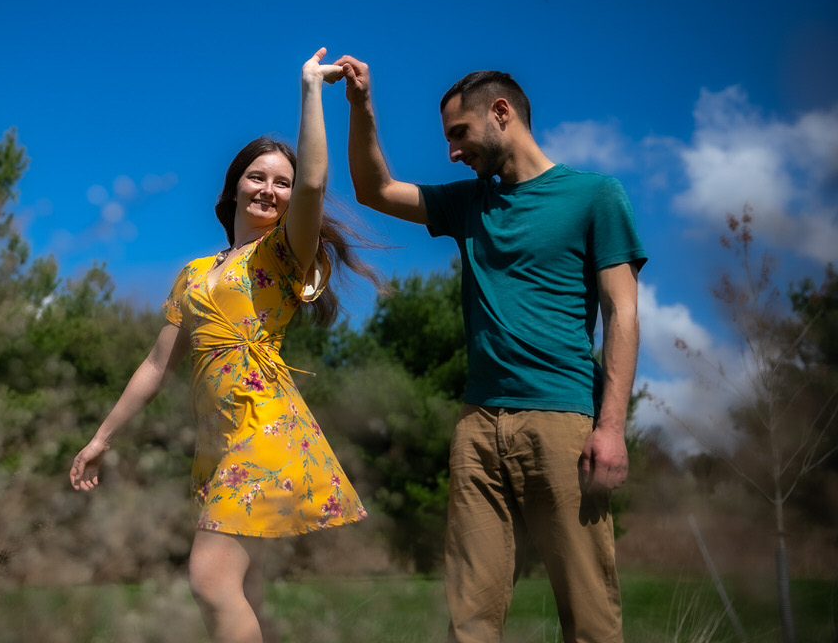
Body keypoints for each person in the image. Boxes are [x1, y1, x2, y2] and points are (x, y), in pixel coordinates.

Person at [70, 48, 376, 643]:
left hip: (266, 433)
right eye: (257, 176)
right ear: (234, 186)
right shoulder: (193, 272)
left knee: (210, 580)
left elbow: (315, 178)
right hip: (218, 446)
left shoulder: (285, 255)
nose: (269, 189)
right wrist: (101, 438)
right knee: (245, 591)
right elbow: (157, 363)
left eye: (281, 183)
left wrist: (311, 88)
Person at [336, 56, 645, 643]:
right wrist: (361, 106)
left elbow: (622, 314)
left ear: (501, 114)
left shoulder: (594, 196)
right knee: (470, 621)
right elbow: (373, 189)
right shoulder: (470, 204)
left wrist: (612, 426)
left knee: (590, 619)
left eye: (459, 134)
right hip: (476, 429)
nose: (453, 152)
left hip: (562, 423)